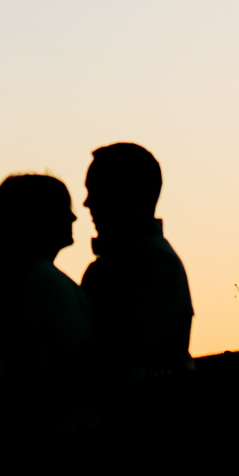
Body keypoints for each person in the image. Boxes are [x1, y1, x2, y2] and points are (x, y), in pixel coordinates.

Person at [79, 142, 194, 387]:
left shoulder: (155, 265)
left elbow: (117, 355)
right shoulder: (126, 264)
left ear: (129, 194)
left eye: (98, 190)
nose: (87, 203)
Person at [0, 174, 94, 408]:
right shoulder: (45, 283)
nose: (74, 216)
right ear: (39, 218)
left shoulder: (26, 283)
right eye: (64, 208)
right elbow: (87, 361)